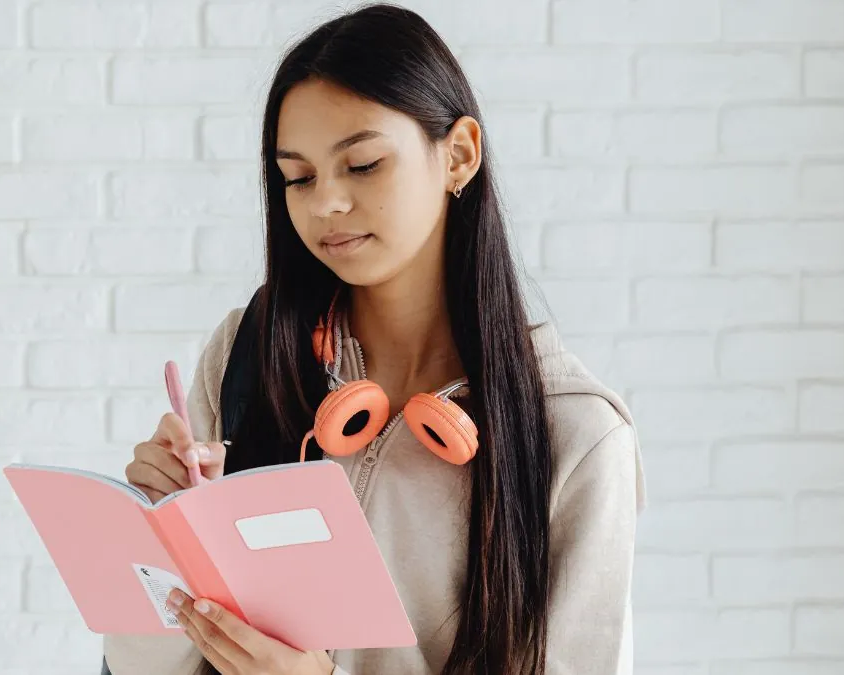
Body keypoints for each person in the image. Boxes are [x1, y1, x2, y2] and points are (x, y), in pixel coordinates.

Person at [105, 3, 646, 674]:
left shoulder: (576, 434)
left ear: (459, 155)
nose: (325, 201)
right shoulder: (250, 353)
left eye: (361, 165)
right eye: (298, 177)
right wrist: (160, 541)